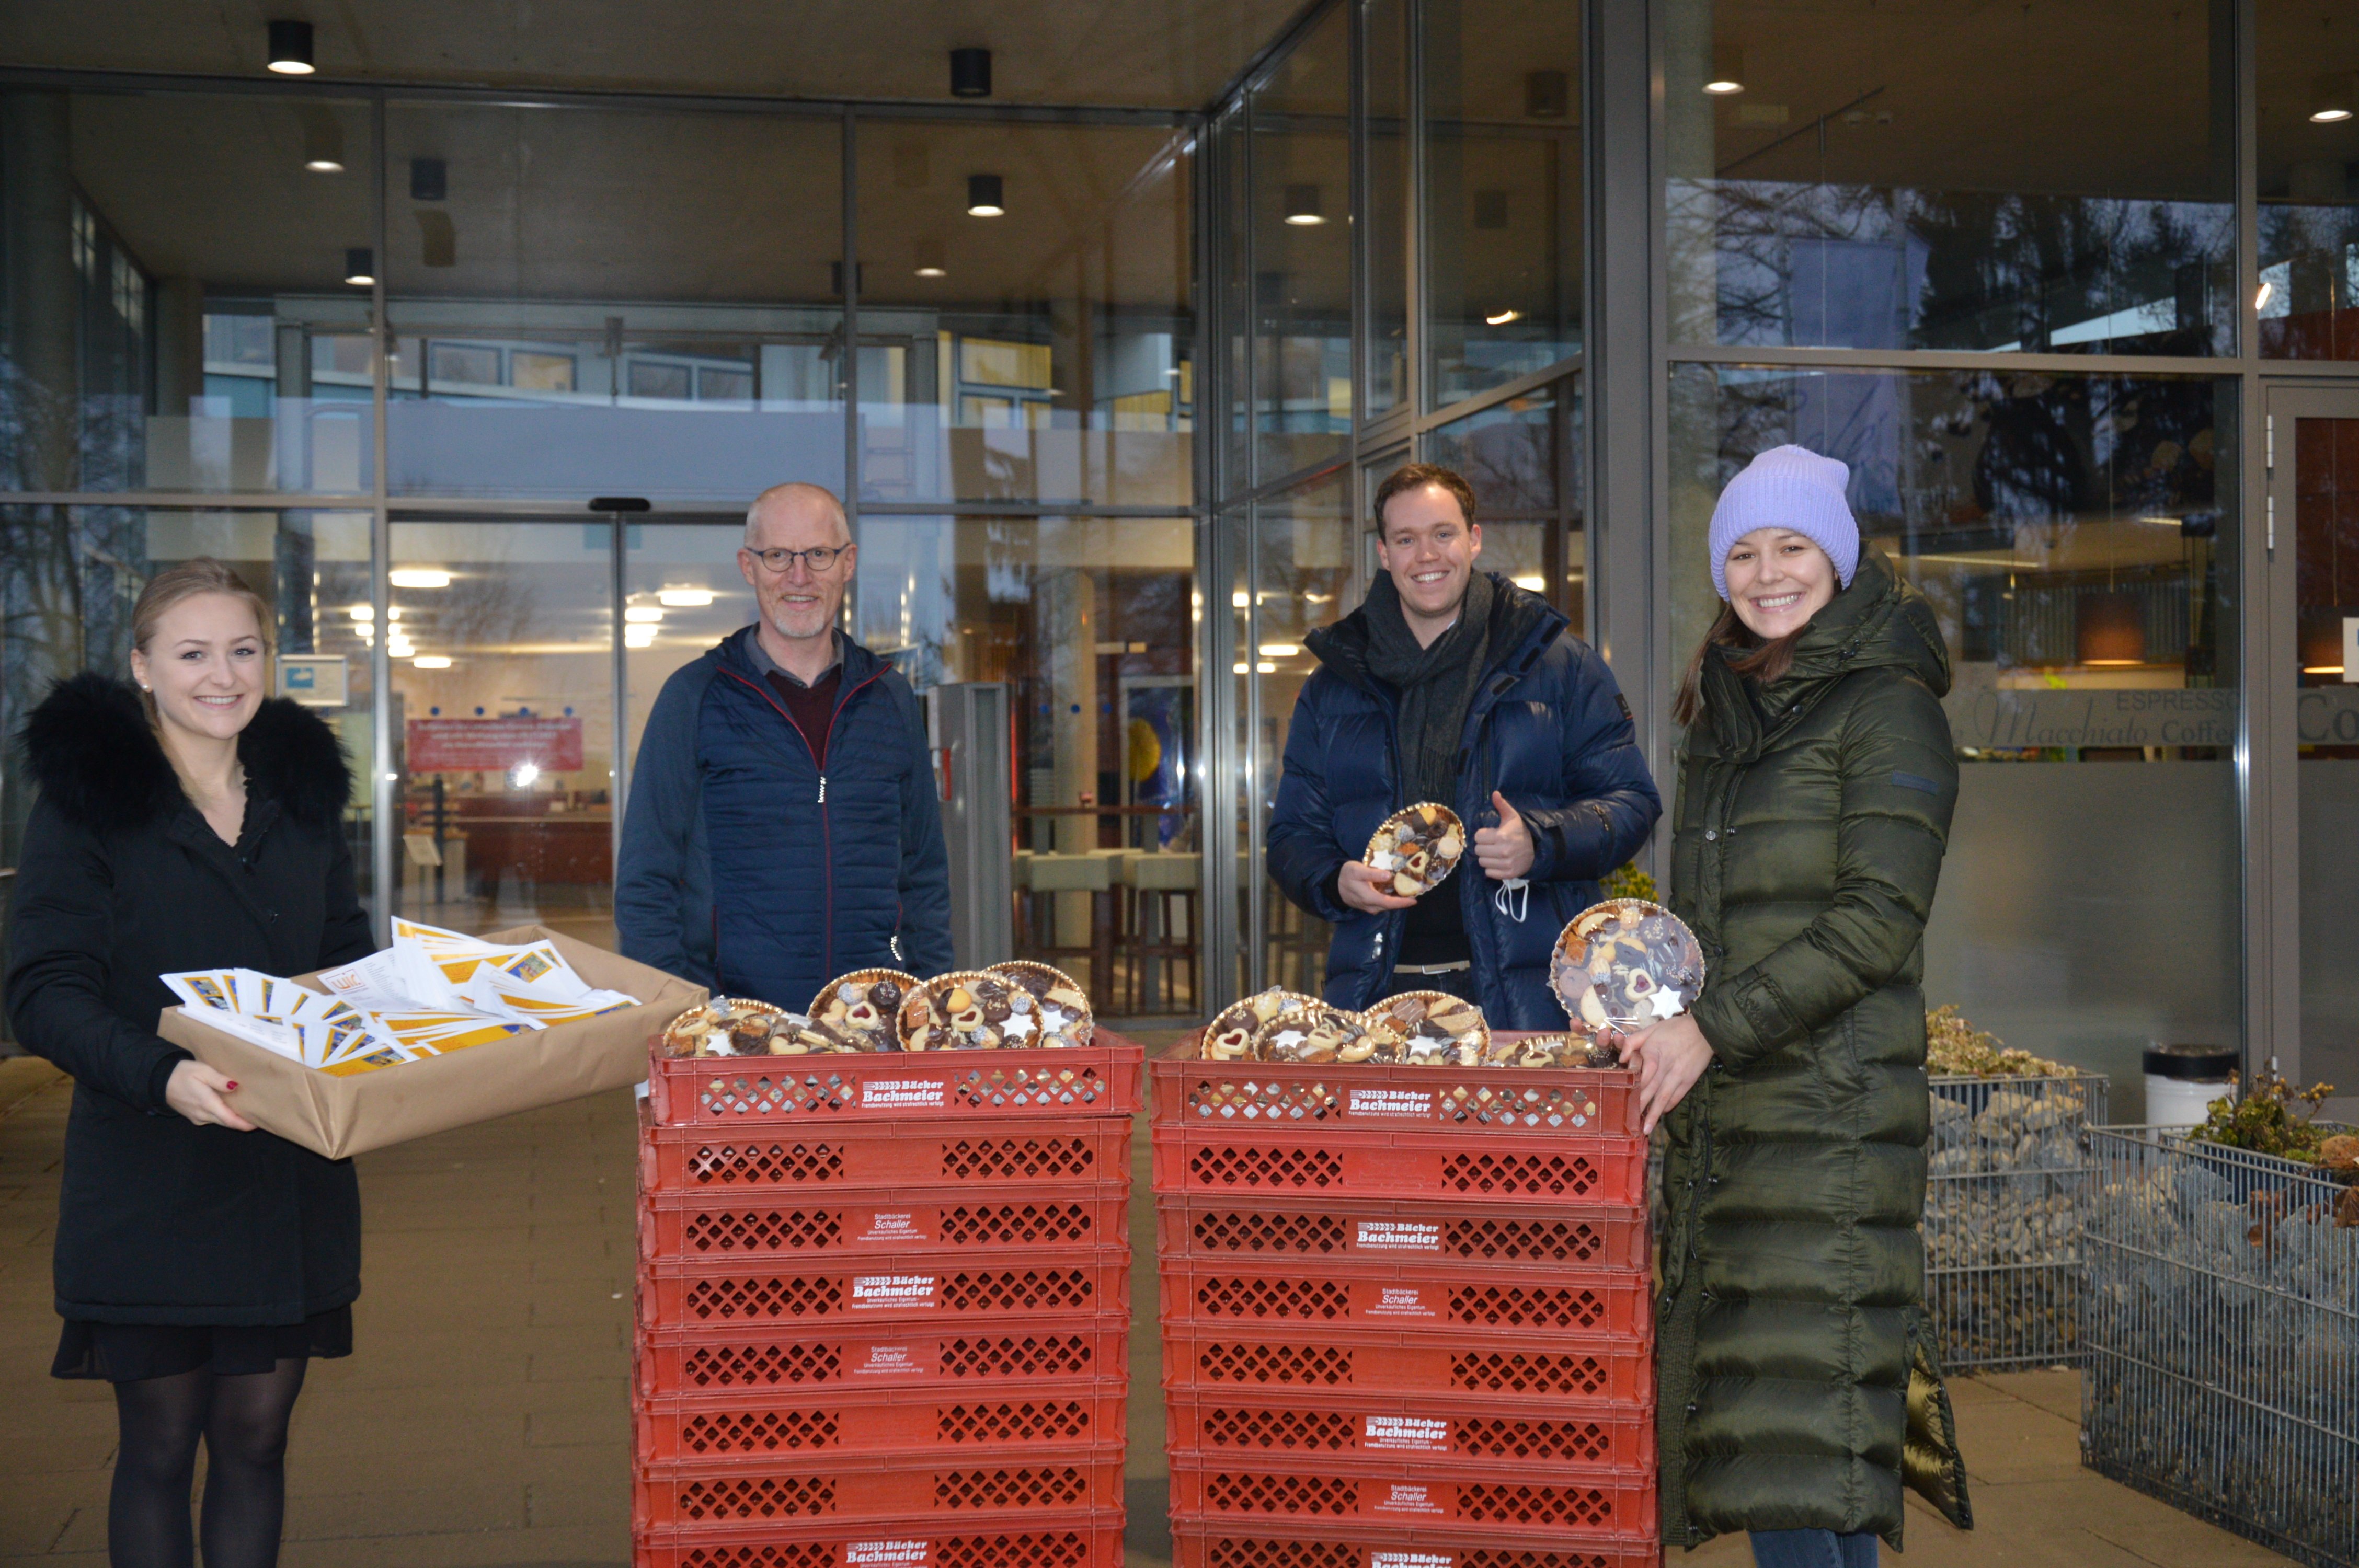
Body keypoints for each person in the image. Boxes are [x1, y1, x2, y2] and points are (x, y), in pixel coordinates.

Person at [1616, 445, 1973, 1563]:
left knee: (1805, 1451)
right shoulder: (1734, 704)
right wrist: (1646, 998)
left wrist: (1707, 1030)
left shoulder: (1887, 708)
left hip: (1830, 1118)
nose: (1767, 573)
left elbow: (1877, 921)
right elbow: (1723, 921)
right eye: (1743, 552)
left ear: (1839, 557)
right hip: (1743, 1113)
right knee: (1782, 1446)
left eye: (1792, 547)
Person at [6, 560, 374, 1568]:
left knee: (257, 1440)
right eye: (193, 653)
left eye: (244, 651)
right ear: (142, 666)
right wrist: (163, 1074)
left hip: (286, 1172)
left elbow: (345, 965)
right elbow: (44, 991)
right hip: (151, 1173)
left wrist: (420, 1025)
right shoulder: (89, 804)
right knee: (161, 1447)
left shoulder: (300, 799)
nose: (223, 676)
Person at [1265, 462, 1660, 1023]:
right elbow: (1292, 839)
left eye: (1442, 533)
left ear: (1473, 540)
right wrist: (1335, 880)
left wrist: (1542, 841)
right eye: (1406, 539)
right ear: (1384, 553)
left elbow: (1632, 802)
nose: (1426, 555)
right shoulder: (1333, 687)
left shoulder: (1560, 665)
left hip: (1526, 1000)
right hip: (1380, 995)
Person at [618, 481, 953, 1009]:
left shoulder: (890, 698)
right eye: (778, 556)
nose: (799, 576)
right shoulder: (694, 697)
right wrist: (682, 1015)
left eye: (819, 554)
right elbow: (646, 883)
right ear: (748, 566)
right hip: (734, 1027)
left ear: (848, 563)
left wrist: (927, 1001)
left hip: (874, 1022)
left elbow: (924, 874)